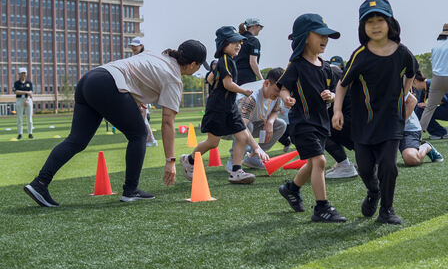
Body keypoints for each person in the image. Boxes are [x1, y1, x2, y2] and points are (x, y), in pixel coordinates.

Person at [24, 40, 207, 207]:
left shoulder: (157, 54)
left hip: (90, 79)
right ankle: (130, 190)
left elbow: (136, 74)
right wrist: (170, 161)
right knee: (139, 134)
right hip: (108, 84)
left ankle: (39, 183)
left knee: (76, 140)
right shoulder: (173, 78)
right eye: (198, 67)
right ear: (192, 64)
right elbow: (167, 121)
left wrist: (134, 97)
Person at [332, 0, 417, 224]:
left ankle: (387, 210)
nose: (376, 25)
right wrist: (337, 111)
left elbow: (411, 73)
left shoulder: (403, 53)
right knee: (366, 168)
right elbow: (342, 85)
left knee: (389, 165)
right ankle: (373, 192)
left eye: (380, 19)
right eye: (370, 22)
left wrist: (405, 94)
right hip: (363, 123)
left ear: (390, 23)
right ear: (362, 27)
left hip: (391, 121)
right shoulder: (360, 55)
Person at [277, 13, 346, 223]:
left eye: (327, 36)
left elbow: (336, 90)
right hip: (302, 123)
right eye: (320, 35)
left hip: (321, 124)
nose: (325, 40)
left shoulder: (327, 68)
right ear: (305, 37)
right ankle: (322, 208)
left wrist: (332, 95)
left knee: (312, 163)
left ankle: (291, 189)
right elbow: (284, 88)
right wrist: (287, 99)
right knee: (320, 161)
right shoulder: (296, 64)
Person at [180, 26, 269, 185]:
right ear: (223, 45)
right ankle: (189, 160)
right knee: (213, 142)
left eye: (240, 42)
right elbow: (228, 84)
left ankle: (236, 171)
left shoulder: (228, 61)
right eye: (233, 42)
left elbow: (212, 79)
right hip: (218, 107)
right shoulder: (225, 60)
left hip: (230, 106)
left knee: (242, 136)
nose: (238, 45)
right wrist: (244, 91)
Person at [213, 67, 287, 172]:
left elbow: (275, 110)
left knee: (280, 125)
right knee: (248, 126)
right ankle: (234, 163)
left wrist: (270, 123)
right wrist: (257, 147)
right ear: (266, 83)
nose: (279, 95)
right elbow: (241, 126)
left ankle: (253, 158)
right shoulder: (250, 97)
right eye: (277, 91)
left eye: (281, 92)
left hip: (248, 123)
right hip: (224, 125)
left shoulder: (275, 93)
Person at [324, 61, 358, 179]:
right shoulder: (341, 73)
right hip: (367, 129)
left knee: (320, 130)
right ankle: (368, 158)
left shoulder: (329, 73)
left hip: (352, 125)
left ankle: (345, 166)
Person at [412, 70, 448, 139]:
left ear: (415, 81)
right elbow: (419, 105)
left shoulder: (431, 83)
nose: (414, 88)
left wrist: (428, 104)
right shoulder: (424, 89)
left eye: (413, 85)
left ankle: (441, 133)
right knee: (419, 110)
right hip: (447, 108)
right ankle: (440, 133)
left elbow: (444, 99)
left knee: (422, 111)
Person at [400, 92, 444, 166]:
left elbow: (412, 101)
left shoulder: (389, 84)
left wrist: (399, 125)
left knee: (411, 158)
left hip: (408, 129)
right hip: (381, 130)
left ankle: (426, 147)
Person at [235, 18, 264, 85]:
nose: (260, 29)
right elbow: (253, 62)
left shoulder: (238, 39)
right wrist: (261, 79)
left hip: (234, 75)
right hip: (247, 77)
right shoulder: (253, 41)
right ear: (254, 26)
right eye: (260, 27)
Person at [14, 67, 34, 140]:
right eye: (22, 73)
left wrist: (27, 100)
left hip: (28, 100)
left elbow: (31, 92)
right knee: (19, 118)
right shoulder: (16, 83)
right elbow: (16, 92)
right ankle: (20, 134)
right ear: (19, 74)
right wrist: (26, 92)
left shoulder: (29, 83)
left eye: (24, 73)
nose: (23, 75)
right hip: (19, 100)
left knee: (29, 118)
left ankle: (30, 133)